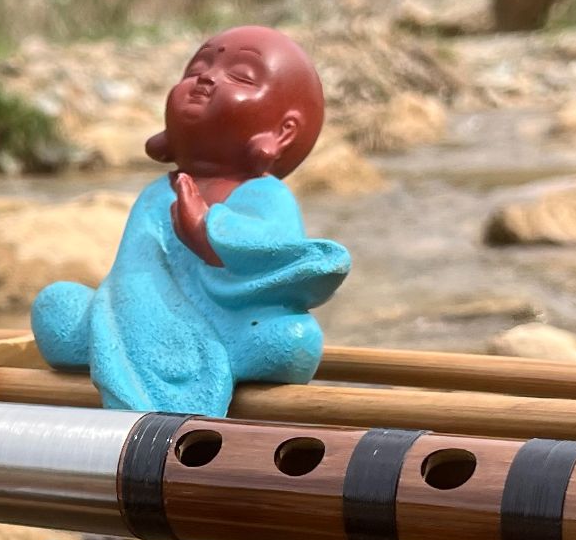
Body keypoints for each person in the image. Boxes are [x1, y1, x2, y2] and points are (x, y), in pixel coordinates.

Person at [31, 25, 349, 418]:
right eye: (196, 68)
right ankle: (139, 360)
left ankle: (170, 374)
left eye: (241, 76)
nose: (207, 77)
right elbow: (133, 276)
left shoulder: (264, 193)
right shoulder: (156, 193)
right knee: (56, 307)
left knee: (291, 340)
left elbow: (275, 251)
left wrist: (209, 233)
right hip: (137, 323)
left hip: (225, 325)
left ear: (282, 133)